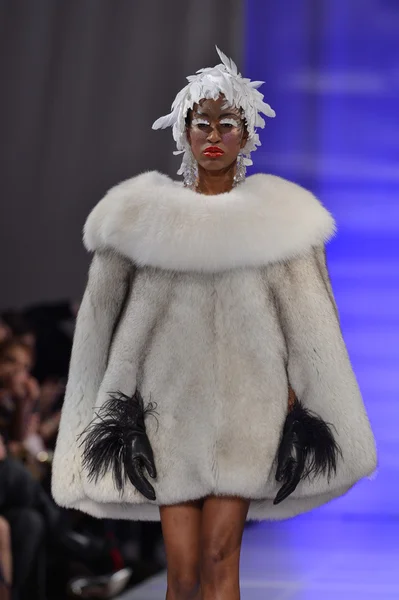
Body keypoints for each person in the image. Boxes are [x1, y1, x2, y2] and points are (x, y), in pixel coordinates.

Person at [52, 47, 377, 600]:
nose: (214, 134)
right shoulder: (144, 221)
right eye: (202, 122)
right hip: (167, 412)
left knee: (220, 558)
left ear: (246, 135)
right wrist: (113, 407)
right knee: (181, 573)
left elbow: (310, 325)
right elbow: (110, 326)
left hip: (252, 410)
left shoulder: (278, 224)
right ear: (183, 131)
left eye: (228, 123)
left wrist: (305, 400)